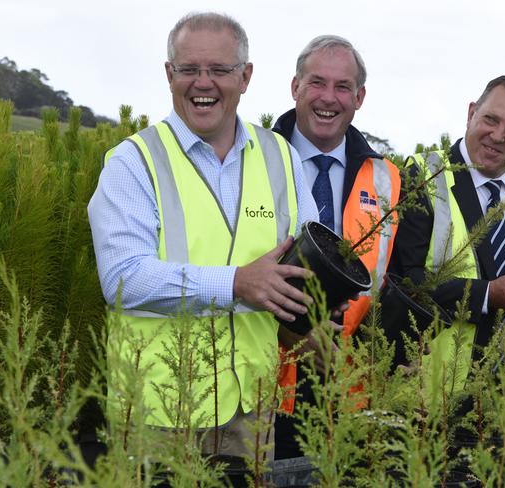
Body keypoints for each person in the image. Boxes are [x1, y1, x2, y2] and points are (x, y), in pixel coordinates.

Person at [87, 11, 319, 460]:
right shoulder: (133, 163)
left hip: (251, 409)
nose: (203, 83)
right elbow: (122, 279)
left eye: (219, 70)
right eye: (189, 70)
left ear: (246, 76)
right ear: (169, 74)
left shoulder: (281, 157)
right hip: (156, 414)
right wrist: (236, 283)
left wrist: (313, 319)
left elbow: (303, 261)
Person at [271, 35, 401, 459]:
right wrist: (294, 335)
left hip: (350, 392)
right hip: (265, 385)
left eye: (343, 87)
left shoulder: (387, 179)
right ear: (295, 87)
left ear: (359, 97)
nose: (329, 98)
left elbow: (395, 277)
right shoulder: (253, 158)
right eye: (316, 83)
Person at [386, 75, 505, 389]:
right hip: (434, 391)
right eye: (490, 119)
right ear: (471, 113)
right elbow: (403, 280)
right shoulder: (421, 177)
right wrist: (488, 295)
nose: (498, 135)